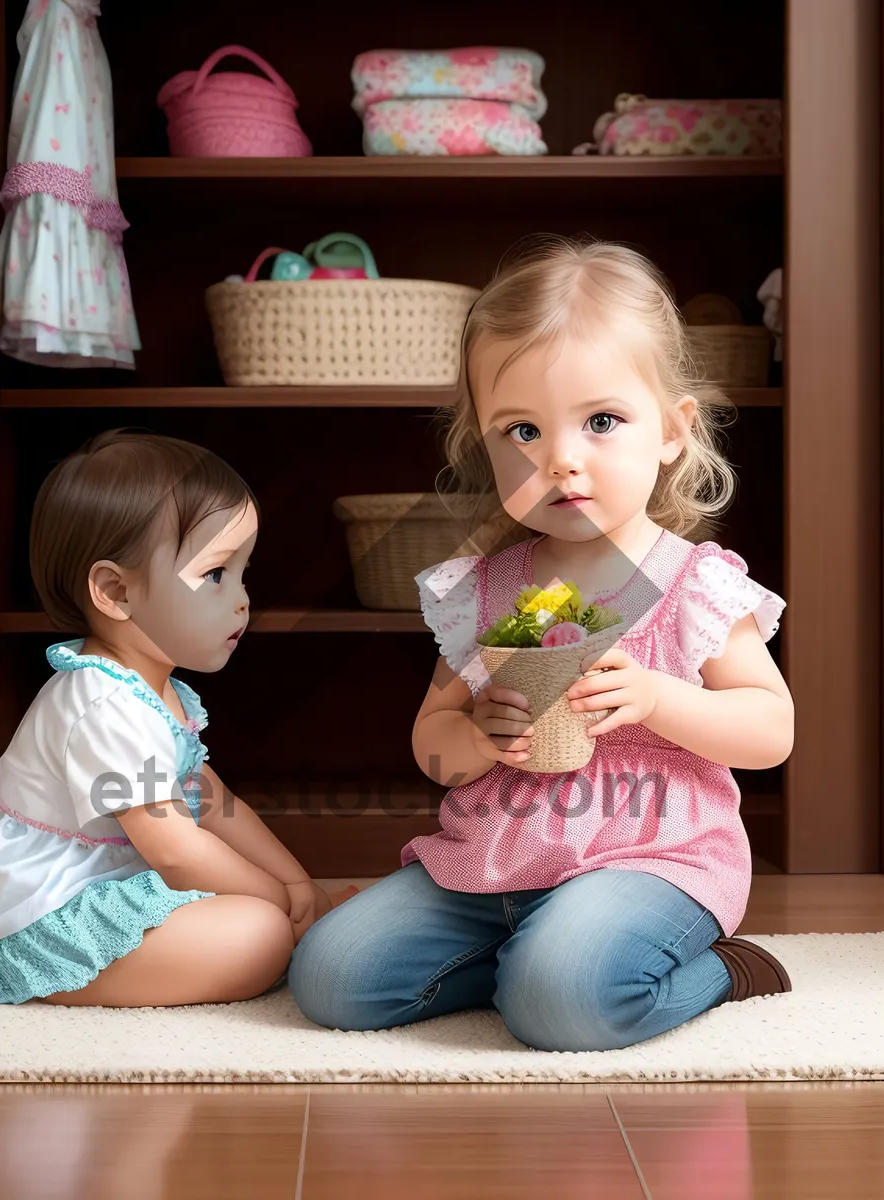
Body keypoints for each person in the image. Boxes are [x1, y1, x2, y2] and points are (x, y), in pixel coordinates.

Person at [290, 238, 793, 1051]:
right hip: (491, 863)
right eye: (520, 429)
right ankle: (534, 965)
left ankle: (714, 970)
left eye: (601, 422)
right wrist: (478, 734)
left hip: (650, 861)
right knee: (332, 977)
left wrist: (660, 699)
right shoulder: (481, 588)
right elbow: (434, 738)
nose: (559, 460)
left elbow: (772, 731)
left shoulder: (693, 582)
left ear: (671, 430)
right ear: (482, 443)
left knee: (565, 1005)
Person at [0, 429, 352, 1007]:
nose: (242, 600)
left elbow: (209, 799)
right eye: (214, 575)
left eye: (241, 573)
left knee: (270, 910)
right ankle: (270, 938)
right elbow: (177, 851)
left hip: (100, 888)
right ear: (115, 591)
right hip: (36, 923)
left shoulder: (155, 690)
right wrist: (277, 904)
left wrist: (294, 881)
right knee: (256, 931)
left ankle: (280, 923)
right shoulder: (103, 705)